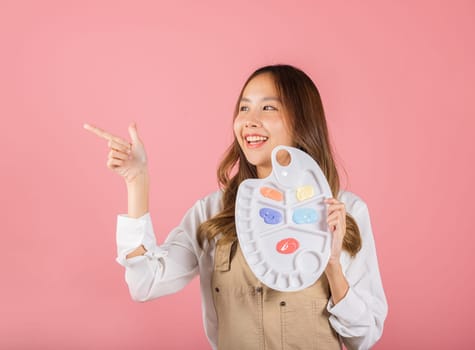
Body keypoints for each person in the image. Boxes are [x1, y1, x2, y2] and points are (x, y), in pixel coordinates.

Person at [84, 64, 388, 350]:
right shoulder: (212, 212)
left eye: (268, 107)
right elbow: (145, 284)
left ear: (302, 121)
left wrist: (333, 266)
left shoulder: (345, 211)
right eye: (244, 108)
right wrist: (137, 181)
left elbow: (365, 336)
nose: (249, 120)